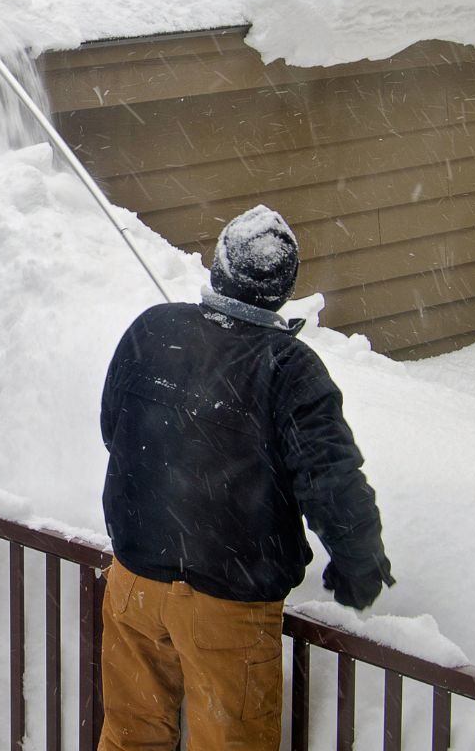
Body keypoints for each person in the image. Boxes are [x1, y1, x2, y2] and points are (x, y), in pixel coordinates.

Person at [99, 205, 393, 751]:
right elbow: (331, 478)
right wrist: (359, 563)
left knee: (129, 738)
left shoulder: (151, 328)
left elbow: (113, 430)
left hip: (134, 584)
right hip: (228, 608)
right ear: (283, 291)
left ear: (218, 269)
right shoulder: (290, 367)